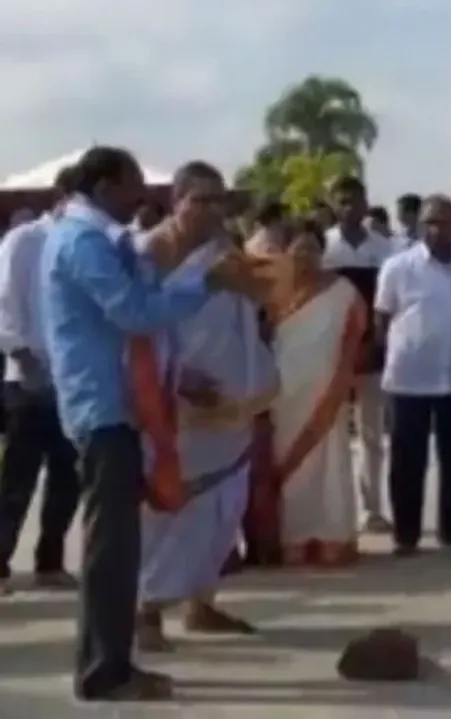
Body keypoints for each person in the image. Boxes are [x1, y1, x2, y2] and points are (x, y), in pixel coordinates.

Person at [42, 146, 257, 701]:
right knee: (110, 549)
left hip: (120, 406)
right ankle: (103, 672)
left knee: (118, 545)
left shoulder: (97, 239)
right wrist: (204, 285)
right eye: (134, 185)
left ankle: (112, 662)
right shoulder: (82, 241)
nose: (142, 197)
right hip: (104, 409)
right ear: (106, 185)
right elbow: (134, 313)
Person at [128, 162, 278, 652]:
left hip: (232, 396)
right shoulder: (153, 250)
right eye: (201, 200)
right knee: (170, 505)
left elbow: (257, 298)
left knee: (225, 503)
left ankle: (201, 602)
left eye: (219, 199)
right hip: (177, 401)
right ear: (177, 201)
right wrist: (179, 378)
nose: (212, 209)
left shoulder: (224, 246)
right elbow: (138, 326)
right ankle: (145, 611)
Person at [376, 195, 451, 555]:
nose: (437, 230)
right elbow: (382, 319)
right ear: (421, 226)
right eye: (430, 223)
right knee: (407, 461)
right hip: (409, 378)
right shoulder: (397, 267)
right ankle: (405, 537)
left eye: (445, 222)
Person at [250, 220, 365, 567]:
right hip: (283, 396)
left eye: (312, 250)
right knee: (291, 470)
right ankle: (293, 540)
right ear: (286, 253)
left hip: (326, 395)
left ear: (322, 253)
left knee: (328, 464)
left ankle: (332, 536)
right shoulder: (271, 293)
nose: (305, 257)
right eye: (298, 250)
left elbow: (355, 339)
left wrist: (344, 383)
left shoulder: (343, 292)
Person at [0, 167, 82, 596]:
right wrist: (21, 354)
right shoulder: (25, 240)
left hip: (71, 377)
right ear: (63, 195)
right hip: (28, 378)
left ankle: (50, 560)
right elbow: (6, 303)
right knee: (18, 476)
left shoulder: (83, 243)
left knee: (67, 476)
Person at [321, 176, 396, 534]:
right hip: (331, 353)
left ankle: (373, 509)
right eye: (342, 201)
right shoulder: (325, 248)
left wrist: (377, 343)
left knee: (371, 433)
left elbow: (388, 306)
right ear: (334, 205)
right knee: (331, 433)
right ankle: (336, 511)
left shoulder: (385, 249)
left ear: (366, 204)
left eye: (355, 201)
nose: (350, 208)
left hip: (372, 350)